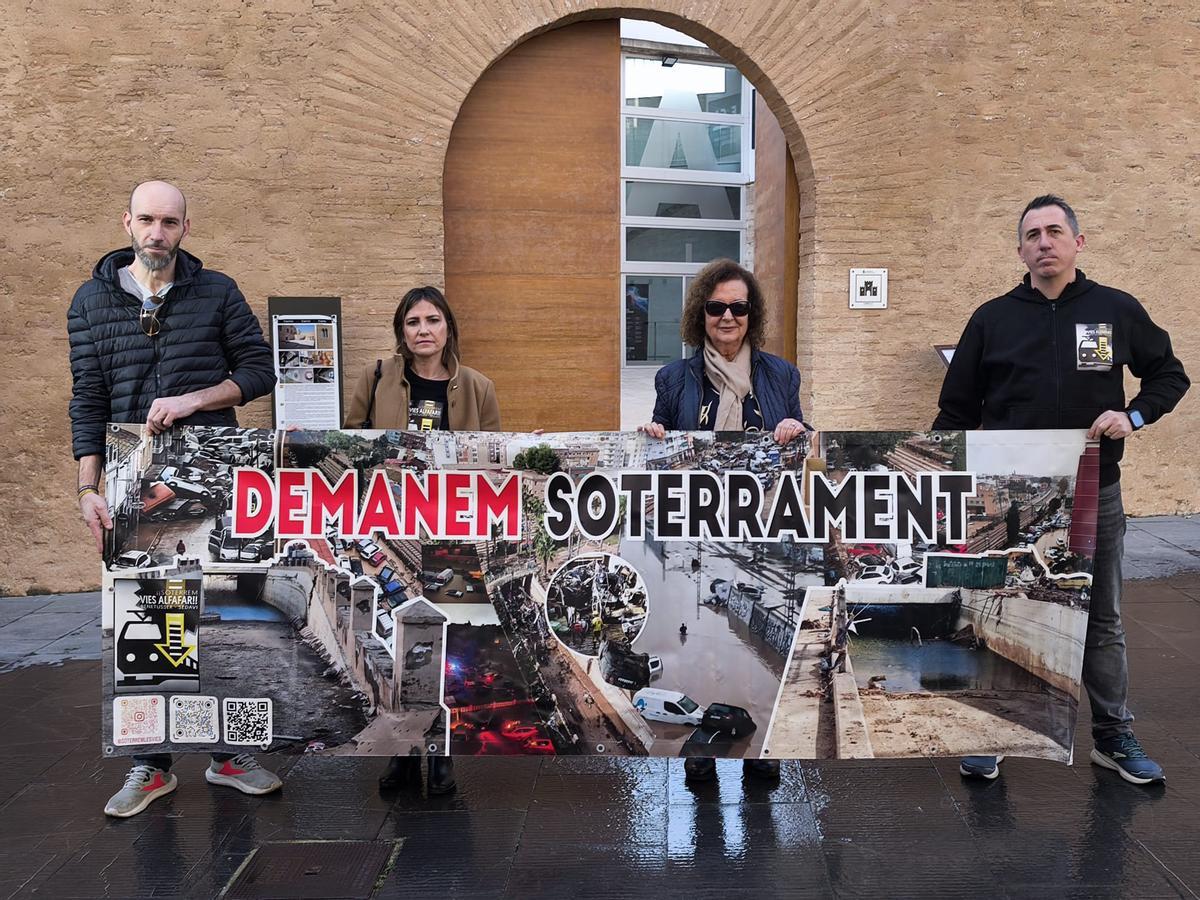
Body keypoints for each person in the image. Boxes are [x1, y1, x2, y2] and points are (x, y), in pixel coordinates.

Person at [934, 194, 1189, 785]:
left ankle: (1113, 736)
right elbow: (954, 411)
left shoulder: (1117, 310)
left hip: (1092, 494)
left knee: (1102, 617)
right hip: (1006, 501)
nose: (1043, 242)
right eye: (1032, 235)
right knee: (994, 612)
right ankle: (992, 731)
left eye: (1054, 231)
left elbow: (1169, 374)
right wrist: (939, 481)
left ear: (1078, 241)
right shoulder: (991, 319)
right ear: (1020, 250)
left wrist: (1135, 415)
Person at [68, 180, 282, 817]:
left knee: (225, 611)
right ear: (126, 223)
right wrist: (87, 487)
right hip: (132, 477)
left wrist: (194, 400)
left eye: (169, 222)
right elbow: (88, 399)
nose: (156, 233)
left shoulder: (217, 290)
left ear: (186, 228)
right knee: (152, 620)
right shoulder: (91, 301)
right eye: (146, 220)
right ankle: (151, 765)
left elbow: (258, 369)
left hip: (215, 470)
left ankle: (228, 755)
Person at [642, 258, 809, 783]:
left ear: (751, 313)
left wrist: (794, 425)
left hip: (762, 522)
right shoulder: (674, 378)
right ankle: (703, 757)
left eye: (738, 307)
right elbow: (660, 440)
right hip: (700, 524)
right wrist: (652, 432)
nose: (728, 317)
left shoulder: (781, 374)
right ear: (701, 314)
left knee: (755, 667)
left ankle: (764, 753)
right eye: (717, 307)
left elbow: (802, 444)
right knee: (707, 654)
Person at [343, 285, 501, 795]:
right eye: (413, 323)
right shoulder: (376, 377)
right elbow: (351, 444)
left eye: (432, 320)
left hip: (455, 530)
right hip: (394, 521)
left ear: (448, 327)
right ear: (402, 332)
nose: (423, 331)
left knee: (453, 643)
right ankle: (402, 751)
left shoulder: (478, 386)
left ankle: (443, 750)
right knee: (400, 640)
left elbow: (497, 461)